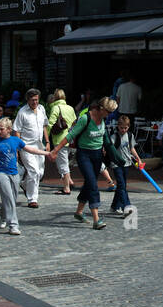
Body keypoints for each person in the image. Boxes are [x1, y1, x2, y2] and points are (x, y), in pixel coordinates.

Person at [48, 97, 117, 230]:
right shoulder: (86, 118)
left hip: (97, 155)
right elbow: (70, 135)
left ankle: (79, 212)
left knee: (89, 184)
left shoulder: (103, 119)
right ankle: (96, 220)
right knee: (92, 184)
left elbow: (102, 136)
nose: (110, 115)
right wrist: (55, 150)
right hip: (84, 154)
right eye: (108, 112)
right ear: (101, 109)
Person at [0, 117, 47, 235]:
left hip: (14, 173)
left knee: (12, 199)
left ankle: (3, 215)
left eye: (1, 129)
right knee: (9, 197)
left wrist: (46, 153)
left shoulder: (15, 140)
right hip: (1, 173)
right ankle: (13, 225)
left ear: (9, 129)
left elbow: (30, 149)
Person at [12, 88, 49, 208]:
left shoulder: (41, 109)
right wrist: (18, 148)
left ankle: (24, 184)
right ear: (27, 100)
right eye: (33, 100)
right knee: (34, 171)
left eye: (37, 100)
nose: (35, 102)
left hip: (40, 146)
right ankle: (32, 199)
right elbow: (16, 131)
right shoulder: (22, 112)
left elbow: (44, 126)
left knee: (40, 172)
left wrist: (47, 141)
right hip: (26, 146)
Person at [105, 114, 142, 215]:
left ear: (128, 127)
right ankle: (127, 207)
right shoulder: (114, 136)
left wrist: (138, 159)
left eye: (125, 128)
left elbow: (132, 148)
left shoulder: (130, 135)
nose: (123, 130)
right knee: (121, 185)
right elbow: (110, 148)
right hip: (116, 164)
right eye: (121, 128)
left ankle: (114, 206)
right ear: (118, 126)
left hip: (127, 163)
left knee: (122, 186)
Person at [46, 89, 78, 194]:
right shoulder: (70, 108)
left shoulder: (55, 108)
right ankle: (70, 181)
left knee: (62, 164)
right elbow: (74, 123)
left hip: (59, 140)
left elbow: (50, 124)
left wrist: (46, 137)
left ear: (55, 97)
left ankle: (66, 188)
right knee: (63, 162)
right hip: (70, 139)